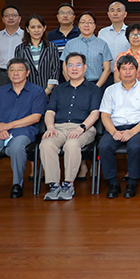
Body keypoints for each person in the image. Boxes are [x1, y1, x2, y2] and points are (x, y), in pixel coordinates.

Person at [0, 57, 46, 199]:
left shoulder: (37, 91)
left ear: (27, 73)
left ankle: (17, 184)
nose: (15, 73)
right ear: (7, 73)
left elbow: (36, 117)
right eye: (12, 70)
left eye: (20, 70)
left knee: (16, 148)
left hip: (23, 131)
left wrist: (8, 126)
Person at [39, 52, 101, 201]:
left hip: (83, 128)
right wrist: (50, 127)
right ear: (65, 68)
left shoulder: (94, 89)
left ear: (85, 67)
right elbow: (50, 112)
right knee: (46, 144)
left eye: (78, 65)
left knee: (72, 144)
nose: (74, 68)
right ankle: (54, 185)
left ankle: (68, 184)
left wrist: (81, 128)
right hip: (58, 128)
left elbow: (95, 113)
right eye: (70, 65)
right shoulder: (58, 89)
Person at [98, 55, 140, 199]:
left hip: (139, 128)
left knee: (134, 146)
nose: (128, 72)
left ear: (137, 70)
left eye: (131, 68)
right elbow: (105, 116)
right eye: (124, 68)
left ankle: (132, 182)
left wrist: (132, 132)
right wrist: (113, 132)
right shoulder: (110, 90)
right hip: (115, 127)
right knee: (104, 146)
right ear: (118, 71)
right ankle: (112, 183)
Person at [61, 11, 112, 89]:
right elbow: (65, 68)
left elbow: (107, 69)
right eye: (83, 22)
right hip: (75, 84)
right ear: (78, 25)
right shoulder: (70, 44)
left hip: (97, 84)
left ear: (94, 25)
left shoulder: (102, 44)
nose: (86, 25)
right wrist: (73, 85)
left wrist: (96, 87)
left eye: (90, 23)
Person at [14, 14, 60, 95]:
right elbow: (19, 72)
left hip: (49, 94)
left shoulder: (52, 47)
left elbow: (55, 70)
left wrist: (46, 92)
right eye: (32, 27)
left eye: (39, 27)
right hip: (26, 93)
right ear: (27, 29)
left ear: (44, 28)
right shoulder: (20, 49)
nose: (36, 30)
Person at [0, 5, 24, 90]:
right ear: (3, 19)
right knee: (1, 98)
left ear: (19, 18)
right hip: (2, 76)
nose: (10, 18)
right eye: (7, 15)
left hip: (21, 74)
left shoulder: (26, 36)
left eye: (14, 15)